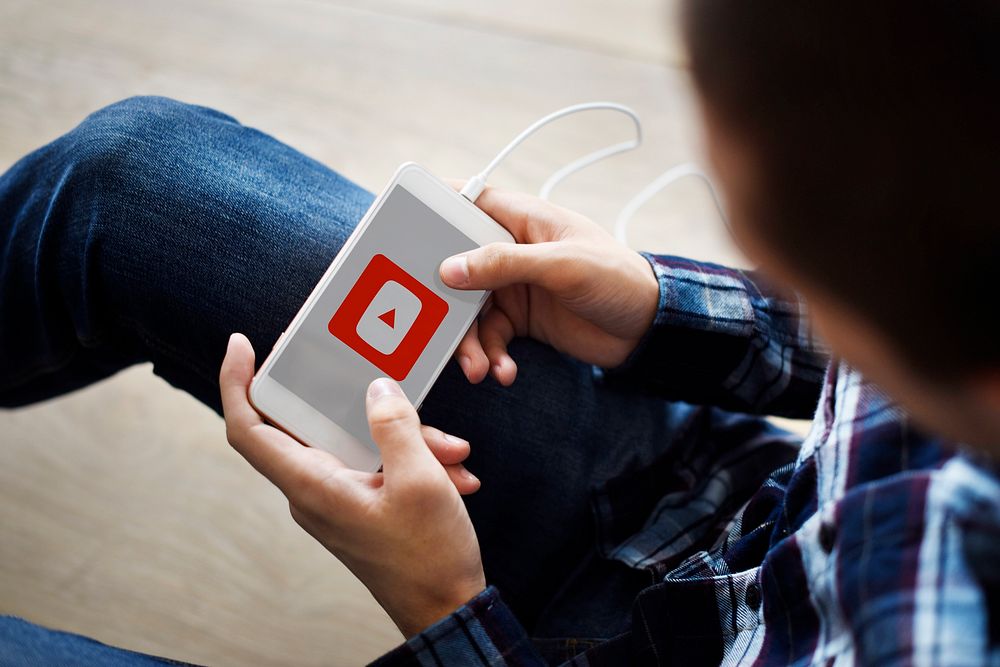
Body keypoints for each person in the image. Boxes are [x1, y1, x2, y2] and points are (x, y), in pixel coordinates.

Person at [2, 0, 999, 664]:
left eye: (792, 264)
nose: (771, 279)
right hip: (719, 504)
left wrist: (445, 610)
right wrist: (660, 306)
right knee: (129, 175)